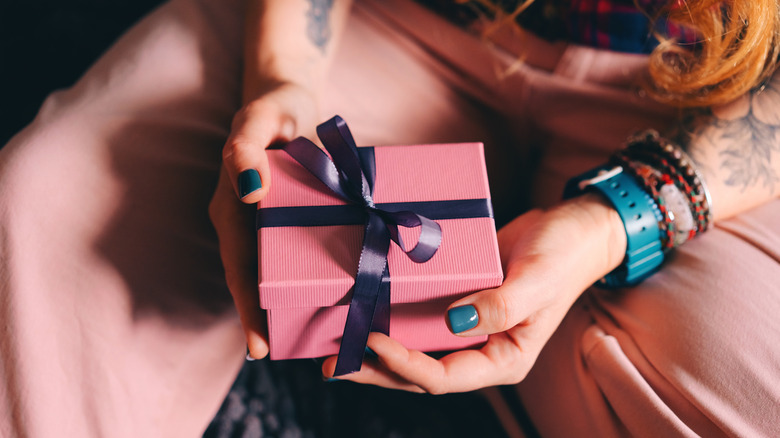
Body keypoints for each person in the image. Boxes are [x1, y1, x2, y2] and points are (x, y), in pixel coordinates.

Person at [1, 0, 778, 437]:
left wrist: (617, 221)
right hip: (376, 23)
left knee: (741, 391)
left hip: (697, 89)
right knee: (49, 209)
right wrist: (283, 77)